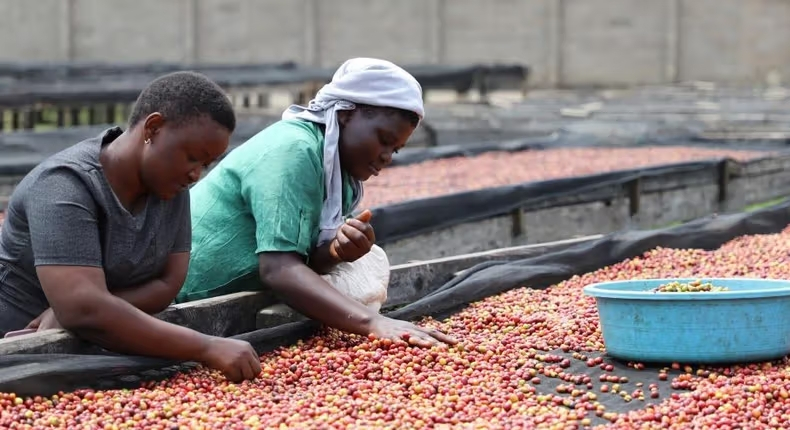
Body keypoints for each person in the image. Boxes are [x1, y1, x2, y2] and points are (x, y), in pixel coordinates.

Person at [0, 71, 262, 382]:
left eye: (205, 165)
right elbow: (82, 308)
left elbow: (168, 284)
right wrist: (206, 346)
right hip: (17, 356)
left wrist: (91, 307)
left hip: (93, 351)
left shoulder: (171, 189)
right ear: (153, 128)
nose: (196, 175)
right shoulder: (65, 185)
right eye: (192, 158)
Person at [176, 58, 457, 348]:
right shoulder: (294, 150)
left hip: (248, 287)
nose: (387, 156)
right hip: (187, 297)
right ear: (346, 114)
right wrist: (374, 323)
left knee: (370, 259)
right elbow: (278, 268)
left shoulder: (340, 176)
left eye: (395, 150)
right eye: (383, 139)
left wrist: (337, 251)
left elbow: (302, 255)